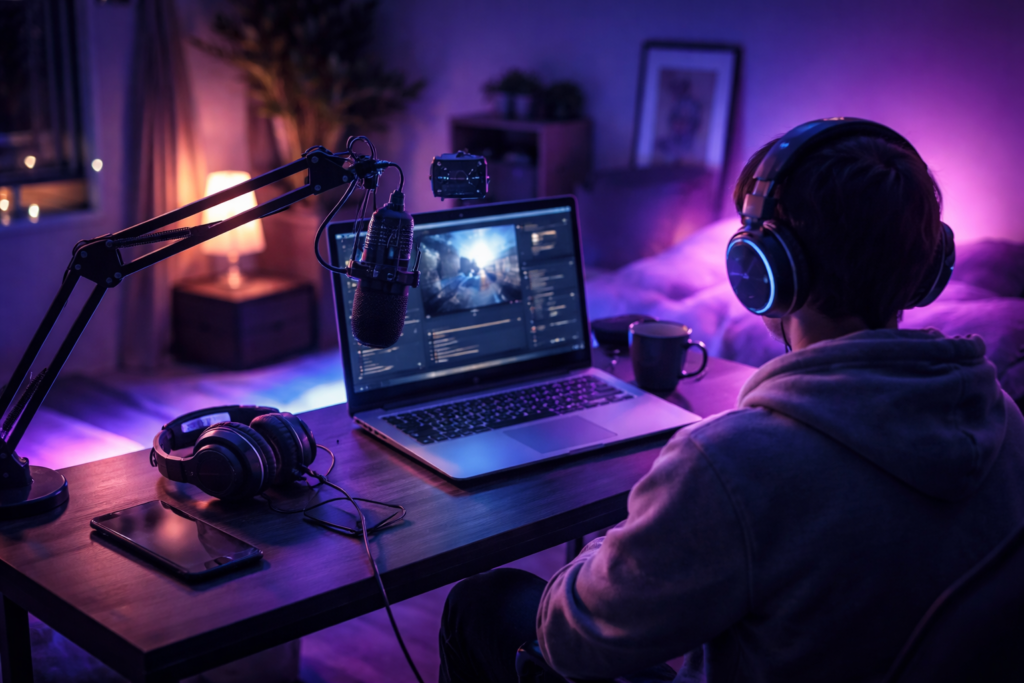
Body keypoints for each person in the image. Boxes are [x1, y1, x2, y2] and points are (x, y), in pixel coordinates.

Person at [437, 125, 1024, 683]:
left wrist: (620, 540)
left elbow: (570, 640)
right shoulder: (1004, 419)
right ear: (927, 266)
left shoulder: (735, 461)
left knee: (483, 603)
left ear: (764, 270)